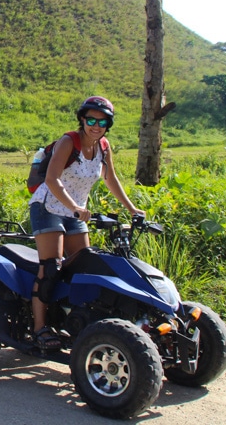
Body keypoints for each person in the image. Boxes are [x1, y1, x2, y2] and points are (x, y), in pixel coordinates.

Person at [28, 96, 144, 350]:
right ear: (82, 119)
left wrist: (132, 209)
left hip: (75, 213)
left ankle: (73, 321)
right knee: (50, 267)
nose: (96, 125)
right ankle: (39, 327)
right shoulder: (69, 141)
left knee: (84, 266)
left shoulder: (104, 146)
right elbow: (51, 179)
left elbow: (111, 179)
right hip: (48, 207)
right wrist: (75, 208)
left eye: (102, 121)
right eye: (91, 119)